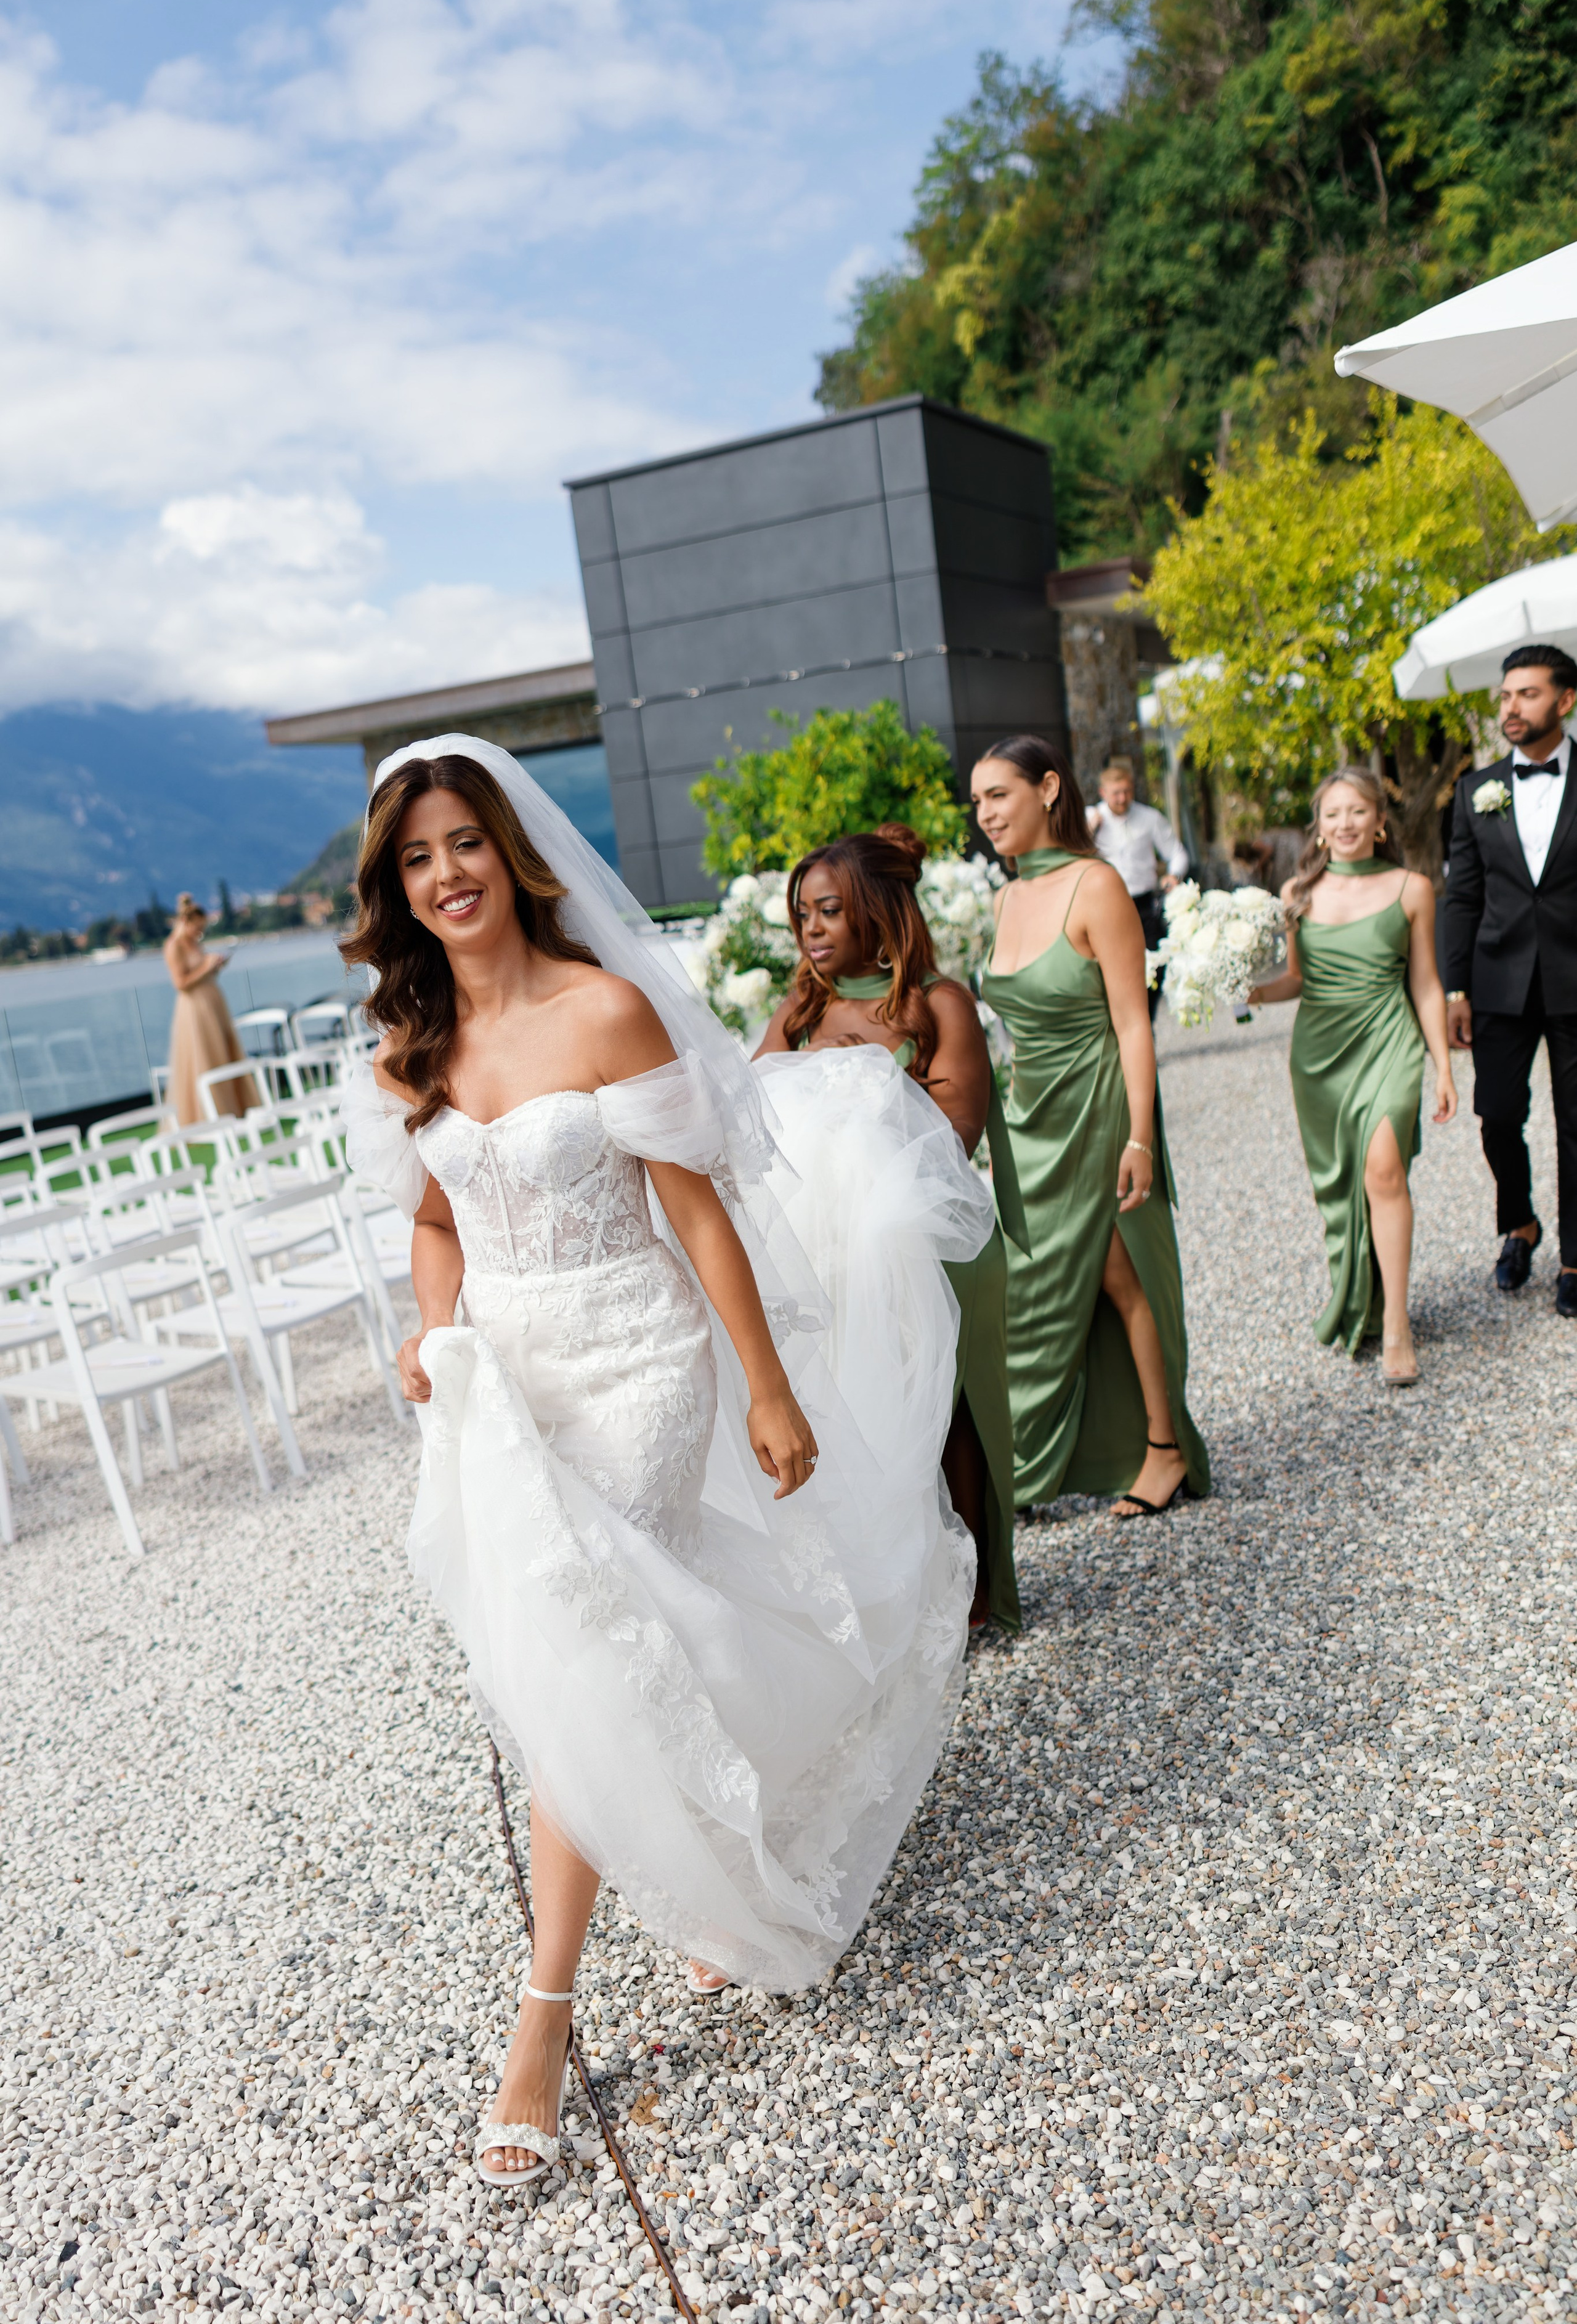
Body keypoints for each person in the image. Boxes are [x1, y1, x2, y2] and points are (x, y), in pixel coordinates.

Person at [341, 736, 975, 2192]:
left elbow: (695, 1215)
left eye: (465, 844)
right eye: (416, 858)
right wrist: (427, 1336)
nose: (446, 875)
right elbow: (433, 1218)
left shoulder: (606, 1009)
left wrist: (762, 1382)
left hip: (637, 1361)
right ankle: (706, 1860)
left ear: (508, 850)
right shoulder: (408, 1047)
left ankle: (544, 2015)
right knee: (603, 1644)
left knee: (580, 1649)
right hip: (501, 1380)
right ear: (397, 886)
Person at [753, 823, 1023, 1631]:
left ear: (877, 912)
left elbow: (955, 1136)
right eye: (802, 914)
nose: (811, 929)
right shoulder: (801, 1010)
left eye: (829, 911)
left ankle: (970, 1591)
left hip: (919, 1243)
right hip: (820, 1249)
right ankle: (876, 1586)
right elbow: (749, 1119)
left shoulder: (938, 1005)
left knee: (945, 1412)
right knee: (850, 1410)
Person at [972, 733, 1210, 1517]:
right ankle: (1033, 1459)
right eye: (976, 803)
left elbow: (1135, 1026)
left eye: (997, 795)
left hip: (1098, 1105)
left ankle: (1164, 1449)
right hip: (1028, 1117)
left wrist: (1141, 1136)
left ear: (1047, 788)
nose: (984, 814)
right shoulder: (1005, 897)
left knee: (1118, 1276)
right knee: (1033, 1288)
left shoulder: (1097, 885)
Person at [1247, 768, 1456, 1382]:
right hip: (1320, 1055)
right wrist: (1247, 990)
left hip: (1389, 1038)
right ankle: (1357, 1294)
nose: (1344, 825)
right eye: (1332, 815)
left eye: (1356, 812)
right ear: (1319, 827)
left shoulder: (1411, 888)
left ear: (1379, 821)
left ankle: (1396, 1324)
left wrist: (1442, 1066)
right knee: (1342, 1187)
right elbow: (1297, 978)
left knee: (1385, 1170)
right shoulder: (1296, 895)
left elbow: (1424, 982)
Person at [1443, 644, 1577, 1314]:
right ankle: (1519, 1223)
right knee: (1497, 1115)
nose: (1510, 708)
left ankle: (1576, 1258)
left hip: (1576, 978)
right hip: (1498, 980)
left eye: (1526, 694)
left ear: (1566, 700)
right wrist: (1454, 988)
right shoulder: (1475, 791)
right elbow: (1461, 897)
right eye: (1504, 696)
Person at [1084, 760, 1190, 1021]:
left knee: (1155, 966)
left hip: (1144, 905)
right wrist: (1090, 831)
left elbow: (1177, 853)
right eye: (1116, 792)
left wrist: (1173, 875)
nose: (1123, 798)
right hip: (1106, 909)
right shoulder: (1090, 819)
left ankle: (1146, 1020)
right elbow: (1071, 855)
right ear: (1103, 793)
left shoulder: (1149, 817)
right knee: (1113, 969)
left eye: (1127, 791)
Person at [162, 892, 259, 1125]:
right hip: (194, 1009)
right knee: (203, 1056)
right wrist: (207, 967)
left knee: (222, 1052)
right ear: (186, 922)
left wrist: (216, 967)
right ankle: (206, 1116)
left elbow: (202, 973)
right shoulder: (173, 946)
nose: (200, 933)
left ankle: (234, 1108)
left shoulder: (194, 943)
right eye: (197, 928)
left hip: (213, 1001)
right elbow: (181, 984)